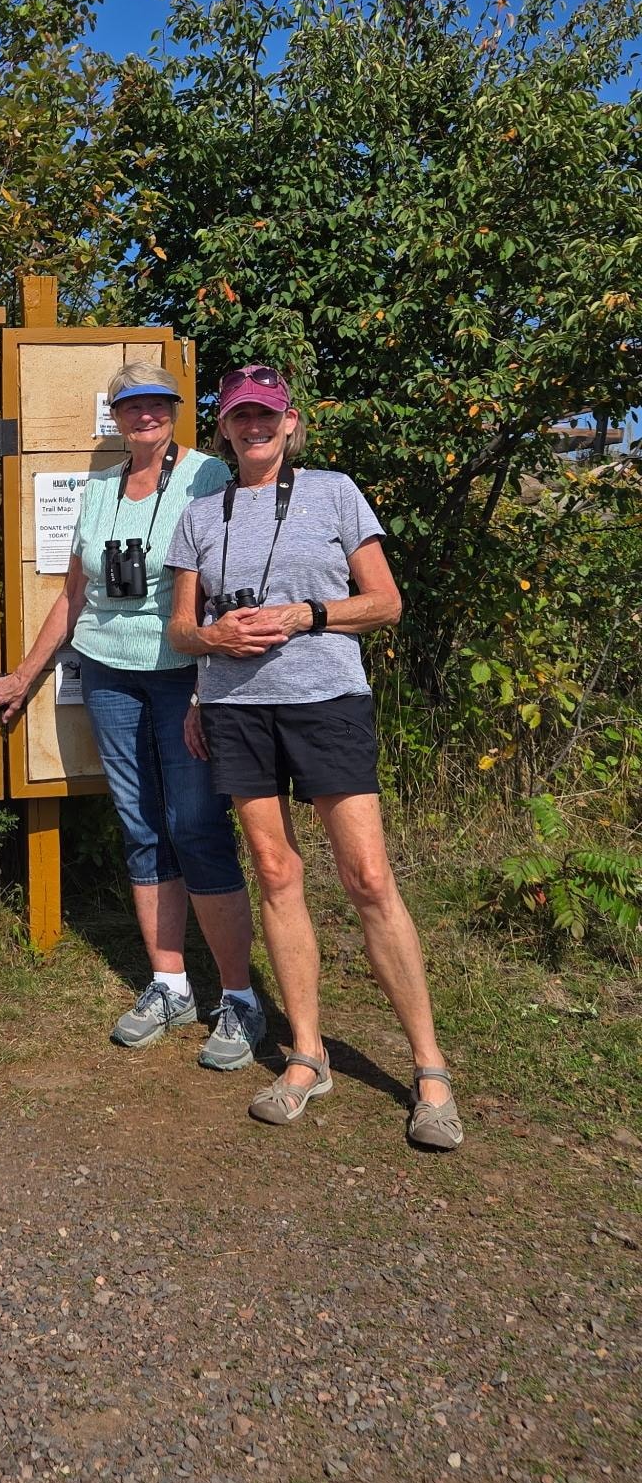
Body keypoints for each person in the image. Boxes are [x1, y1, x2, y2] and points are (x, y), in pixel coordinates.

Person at [166, 363, 463, 1149]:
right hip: (235, 708)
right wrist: (213, 646)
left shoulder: (334, 492)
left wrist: (309, 613)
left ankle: (429, 1069)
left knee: (367, 876)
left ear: (291, 422)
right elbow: (180, 629)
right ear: (223, 429)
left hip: (327, 702)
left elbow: (386, 602)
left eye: (267, 415)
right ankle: (306, 1056)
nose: (254, 428)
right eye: (239, 418)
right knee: (275, 871)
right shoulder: (200, 513)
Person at [0, 359, 266, 1070]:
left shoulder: (206, 476)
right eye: (132, 405)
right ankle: (169, 983)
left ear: (174, 410)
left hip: (184, 675)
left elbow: (227, 581)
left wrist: (209, 683)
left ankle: (238, 996)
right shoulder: (100, 487)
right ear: (115, 416)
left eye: (158, 404)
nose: (146, 416)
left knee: (197, 827)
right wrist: (24, 674)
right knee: (141, 827)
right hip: (108, 675)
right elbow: (75, 595)